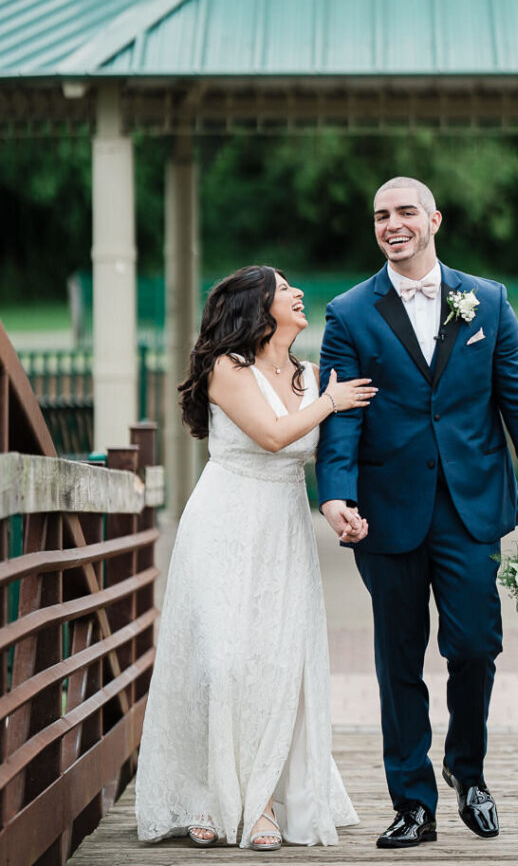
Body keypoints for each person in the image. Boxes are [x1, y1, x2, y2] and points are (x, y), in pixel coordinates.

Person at [316, 177, 518, 849]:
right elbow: (339, 414)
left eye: (403, 212)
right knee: (397, 658)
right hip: (386, 512)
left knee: (475, 646)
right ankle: (412, 804)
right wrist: (334, 493)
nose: (391, 224)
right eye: (379, 215)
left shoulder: (486, 300)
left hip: (468, 508)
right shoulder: (347, 313)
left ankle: (468, 771)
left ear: (433, 218)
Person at [136, 265, 376, 850]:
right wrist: (331, 402)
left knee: (276, 661)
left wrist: (339, 506)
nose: (298, 291)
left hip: (283, 526)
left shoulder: (312, 375)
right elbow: (272, 436)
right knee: (221, 661)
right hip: (225, 519)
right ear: (258, 307)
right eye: (283, 286)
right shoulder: (228, 368)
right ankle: (206, 795)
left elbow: (316, 456)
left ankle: (264, 801)